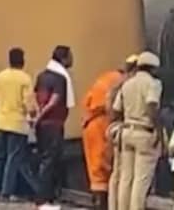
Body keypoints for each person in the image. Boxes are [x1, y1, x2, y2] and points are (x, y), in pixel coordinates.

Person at [109, 51, 163, 210]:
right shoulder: (153, 83)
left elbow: (116, 109)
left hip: (126, 132)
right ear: (153, 68)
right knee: (141, 180)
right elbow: (152, 106)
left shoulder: (127, 84)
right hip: (144, 132)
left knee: (126, 179)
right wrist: (158, 131)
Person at [0, 47, 37, 202]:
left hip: (0, 122)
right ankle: (6, 192)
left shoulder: (0, 77)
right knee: (13, 159)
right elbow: (30, 104)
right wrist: (32, 116)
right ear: (22, 60)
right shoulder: (25, 78)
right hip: (17, 124)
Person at [82, 55, 132, 210]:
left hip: (90, 125)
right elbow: (114, 106)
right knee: (105, 166)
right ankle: (102, 204)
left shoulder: (105, 77)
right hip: (102, 125)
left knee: (95, 167)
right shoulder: (121, 82)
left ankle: (98, 201)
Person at [34, 45, 75, 205]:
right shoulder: (60, 78)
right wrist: (41, 115)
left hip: (43, 125)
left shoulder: (42, 76)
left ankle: (46, 195)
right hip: (53, 123)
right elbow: (55, 100)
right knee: (51, 159)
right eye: (70, 56)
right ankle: (44, 197)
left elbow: (36, 96)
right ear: (64, 58)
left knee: (45, 158)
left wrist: (37, 116)